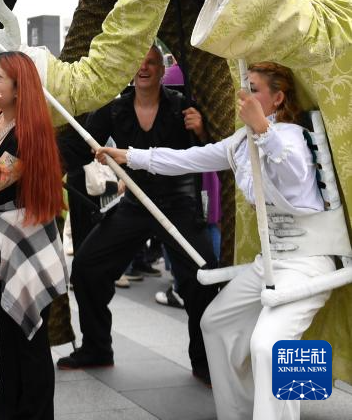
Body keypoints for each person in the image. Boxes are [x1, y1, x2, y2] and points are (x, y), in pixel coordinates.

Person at [100, 62, 335, 420]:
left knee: (268, 346)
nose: (244, 95)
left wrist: (263, 129)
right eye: (245, 87)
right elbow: (187, 159)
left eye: (254, 89)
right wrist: (130, 156)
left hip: (309, 263)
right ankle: (240, 411)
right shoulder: (240, 142)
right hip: (271, 264)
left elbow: (294, 173)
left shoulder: (292, 136)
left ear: (278, 98)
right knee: (216, 322)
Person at [57, 45, 217, 382]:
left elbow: (211, 153)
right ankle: (97, 348)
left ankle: (205, 361)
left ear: (162, 70)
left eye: (151, 63)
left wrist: (201, 130)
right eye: (139, 62)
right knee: (86, 268)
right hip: (134, 205)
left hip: (178, 207)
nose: (143, 68)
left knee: (202, 277)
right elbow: (79, 147)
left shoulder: (182, 106)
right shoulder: (115, 109)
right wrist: (48, 165)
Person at [0, 51, 67, 420]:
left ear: (19, 89)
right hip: (3, 238)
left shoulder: (26, 132)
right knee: (10, 338)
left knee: (29, 340)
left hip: (26, 241)